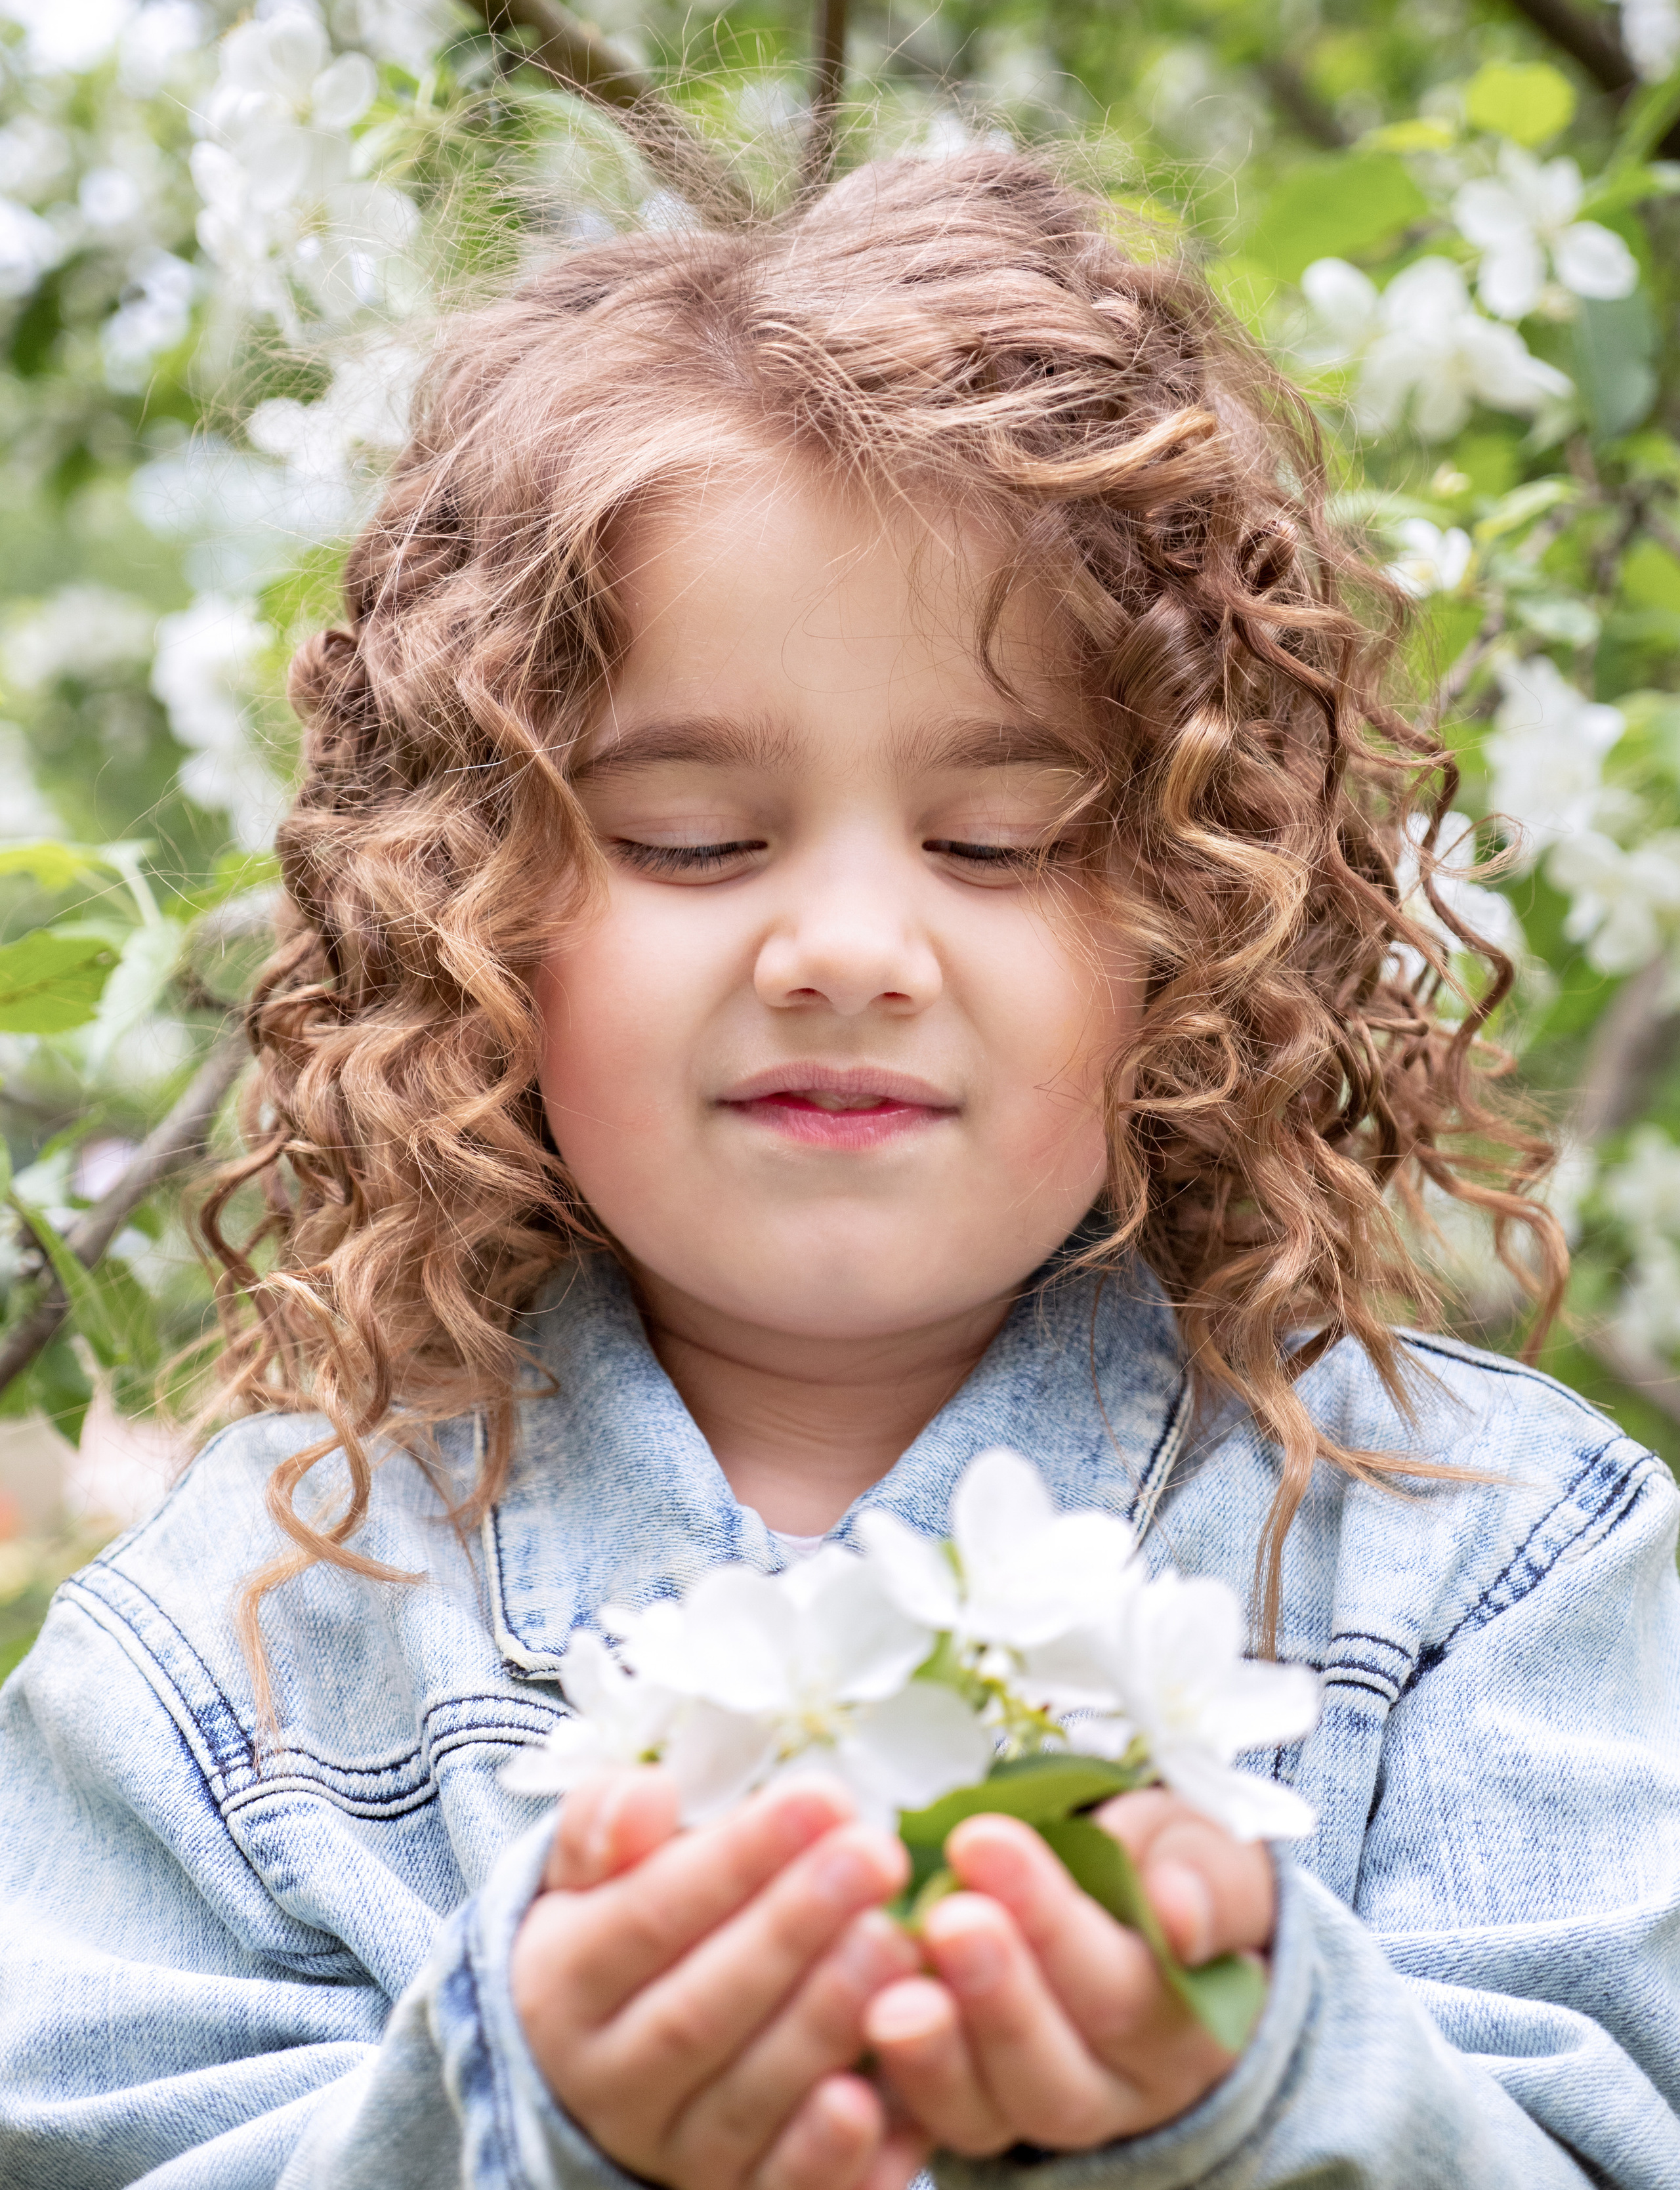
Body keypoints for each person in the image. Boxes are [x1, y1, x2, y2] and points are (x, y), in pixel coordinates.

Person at [1, 150, 1676, 2190]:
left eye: (998, 842)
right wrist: (524, 2116)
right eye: (696, 839)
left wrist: (1250, 2088)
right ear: (470, 914)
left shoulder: (1479, 1571)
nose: (850, 948)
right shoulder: (244, 1651)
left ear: (1197, 922)